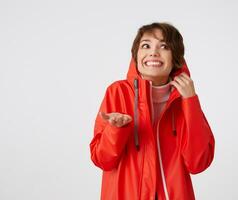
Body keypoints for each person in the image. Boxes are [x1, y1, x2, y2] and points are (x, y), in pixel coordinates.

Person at [89, 22, 215, 200]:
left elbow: (198, 163)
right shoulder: (117, 92)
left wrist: (191, 102)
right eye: (145, 45)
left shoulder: (185, 101)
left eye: (164, 46)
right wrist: (116, 130)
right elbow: (102, 159)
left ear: (176, 58)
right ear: (136, 56)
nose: (153, 52)